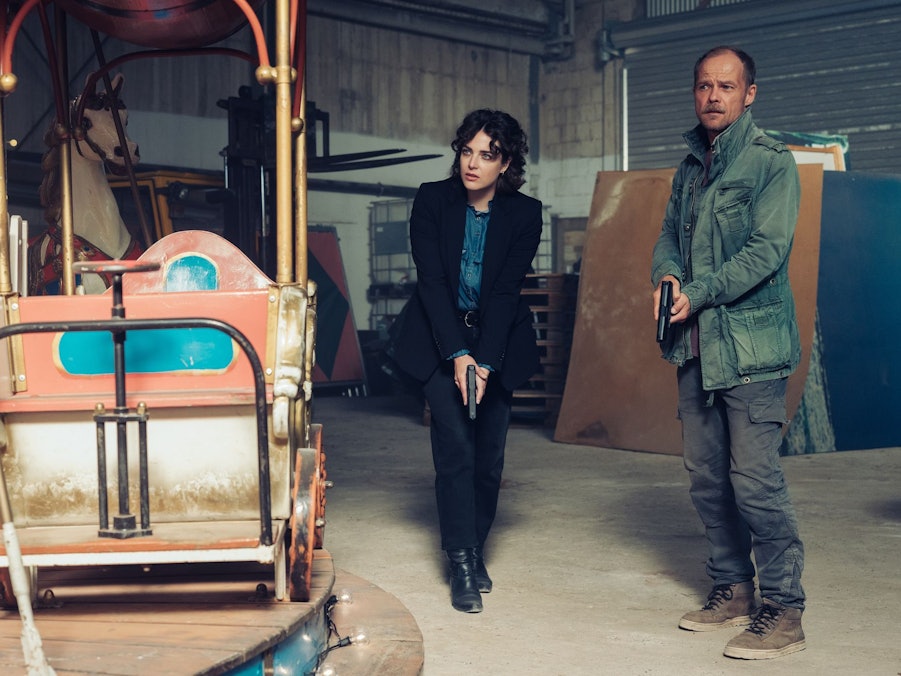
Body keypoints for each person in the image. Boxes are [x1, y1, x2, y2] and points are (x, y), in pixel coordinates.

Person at [650, 46, 806, 659]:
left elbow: (766, 252)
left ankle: (785, 609)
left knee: (755, 480)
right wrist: (667, 276)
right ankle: (733, 588)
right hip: (694, 346)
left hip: (751, 348)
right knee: (708, 478)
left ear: (750, 94)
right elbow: (668, 235)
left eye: (726, 85)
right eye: (703, 86)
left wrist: (697, 291)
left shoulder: (772, 164)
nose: (713, 95)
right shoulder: (690, 167)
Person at [393, 109, 542, 613]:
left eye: (488, 155)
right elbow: (432, 283)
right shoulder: (432, 200)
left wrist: (483, 362)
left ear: (506, 164)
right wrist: (457, 354)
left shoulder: (525, 213)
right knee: (456, 447)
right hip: (438, 339)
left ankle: (476, 547)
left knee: (489, 459)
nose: (473, 163)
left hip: (498, 343)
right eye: (467, 150)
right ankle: (459, 561)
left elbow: (504, 292)